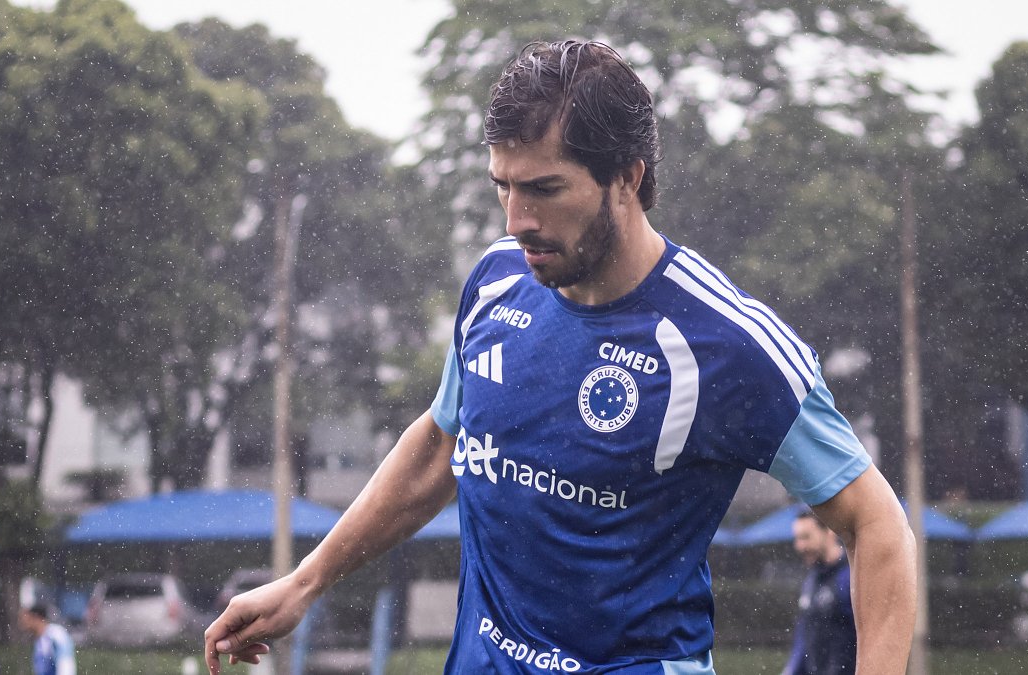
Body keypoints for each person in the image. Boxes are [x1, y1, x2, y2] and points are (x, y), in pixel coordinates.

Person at [205, 39, 916, 674]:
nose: (517, 220)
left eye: (544, 188)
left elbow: (876, 521)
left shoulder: (729, 345)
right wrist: (303, 582)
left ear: (627, 178)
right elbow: (441, 445)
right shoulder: (494, 282)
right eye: (503, 187)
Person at [784, 510, 856, 675]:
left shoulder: (850, 577)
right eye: (797, 539)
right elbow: (804, 637)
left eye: (806, 537)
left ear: (829, 531)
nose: (799, 546)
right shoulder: (812, 579)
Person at [18, 602, 76, 675]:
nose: (22, 621)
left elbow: (66, 664)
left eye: (26, 617)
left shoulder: (56, 635)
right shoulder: (39, 640)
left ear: (36, 617)